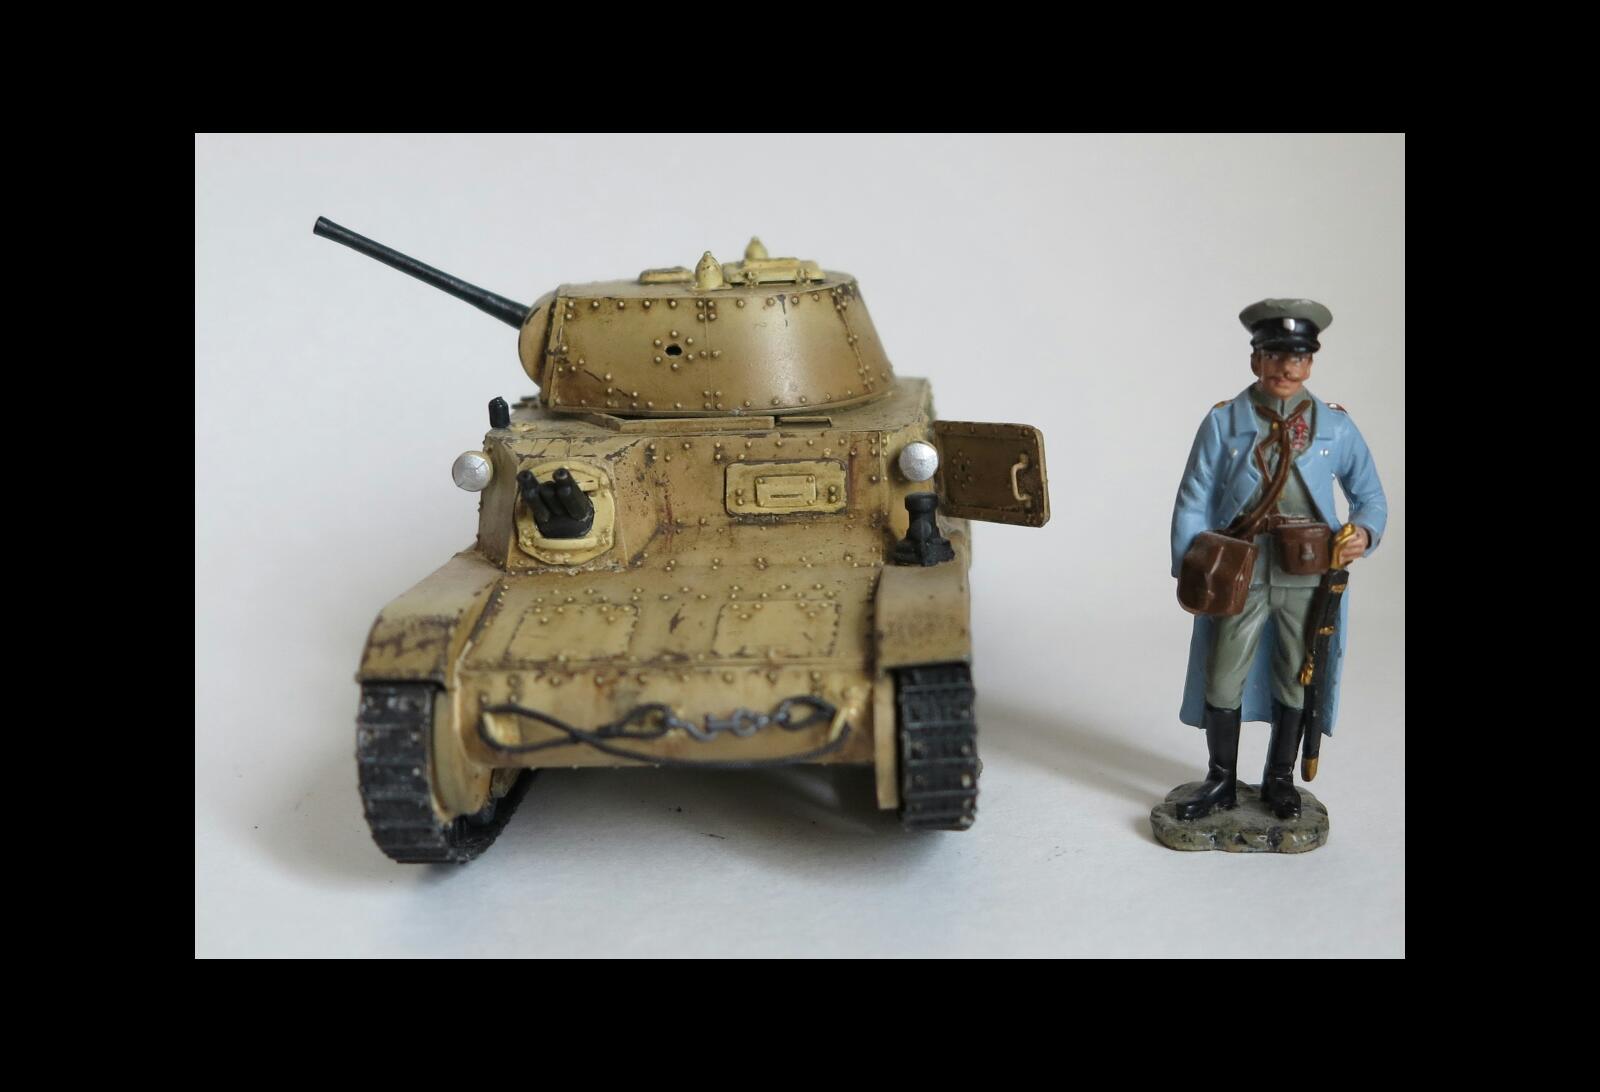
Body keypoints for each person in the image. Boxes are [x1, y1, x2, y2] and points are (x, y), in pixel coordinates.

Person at [1170, 299, 1387, 821]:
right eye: (1274, 356)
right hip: (1239, 568)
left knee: (1297, 674)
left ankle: (1280, 780)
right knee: (1223, 674)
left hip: (1307, 571)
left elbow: (1371, 497)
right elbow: (1193, 496)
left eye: (1298, 358)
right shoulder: (1225, 421)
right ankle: (1221, 779)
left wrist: (1363, 532)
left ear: (1310, 363)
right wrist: (1191, 566)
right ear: (1256, 360)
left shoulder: (1335, 428)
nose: (1286, 369)